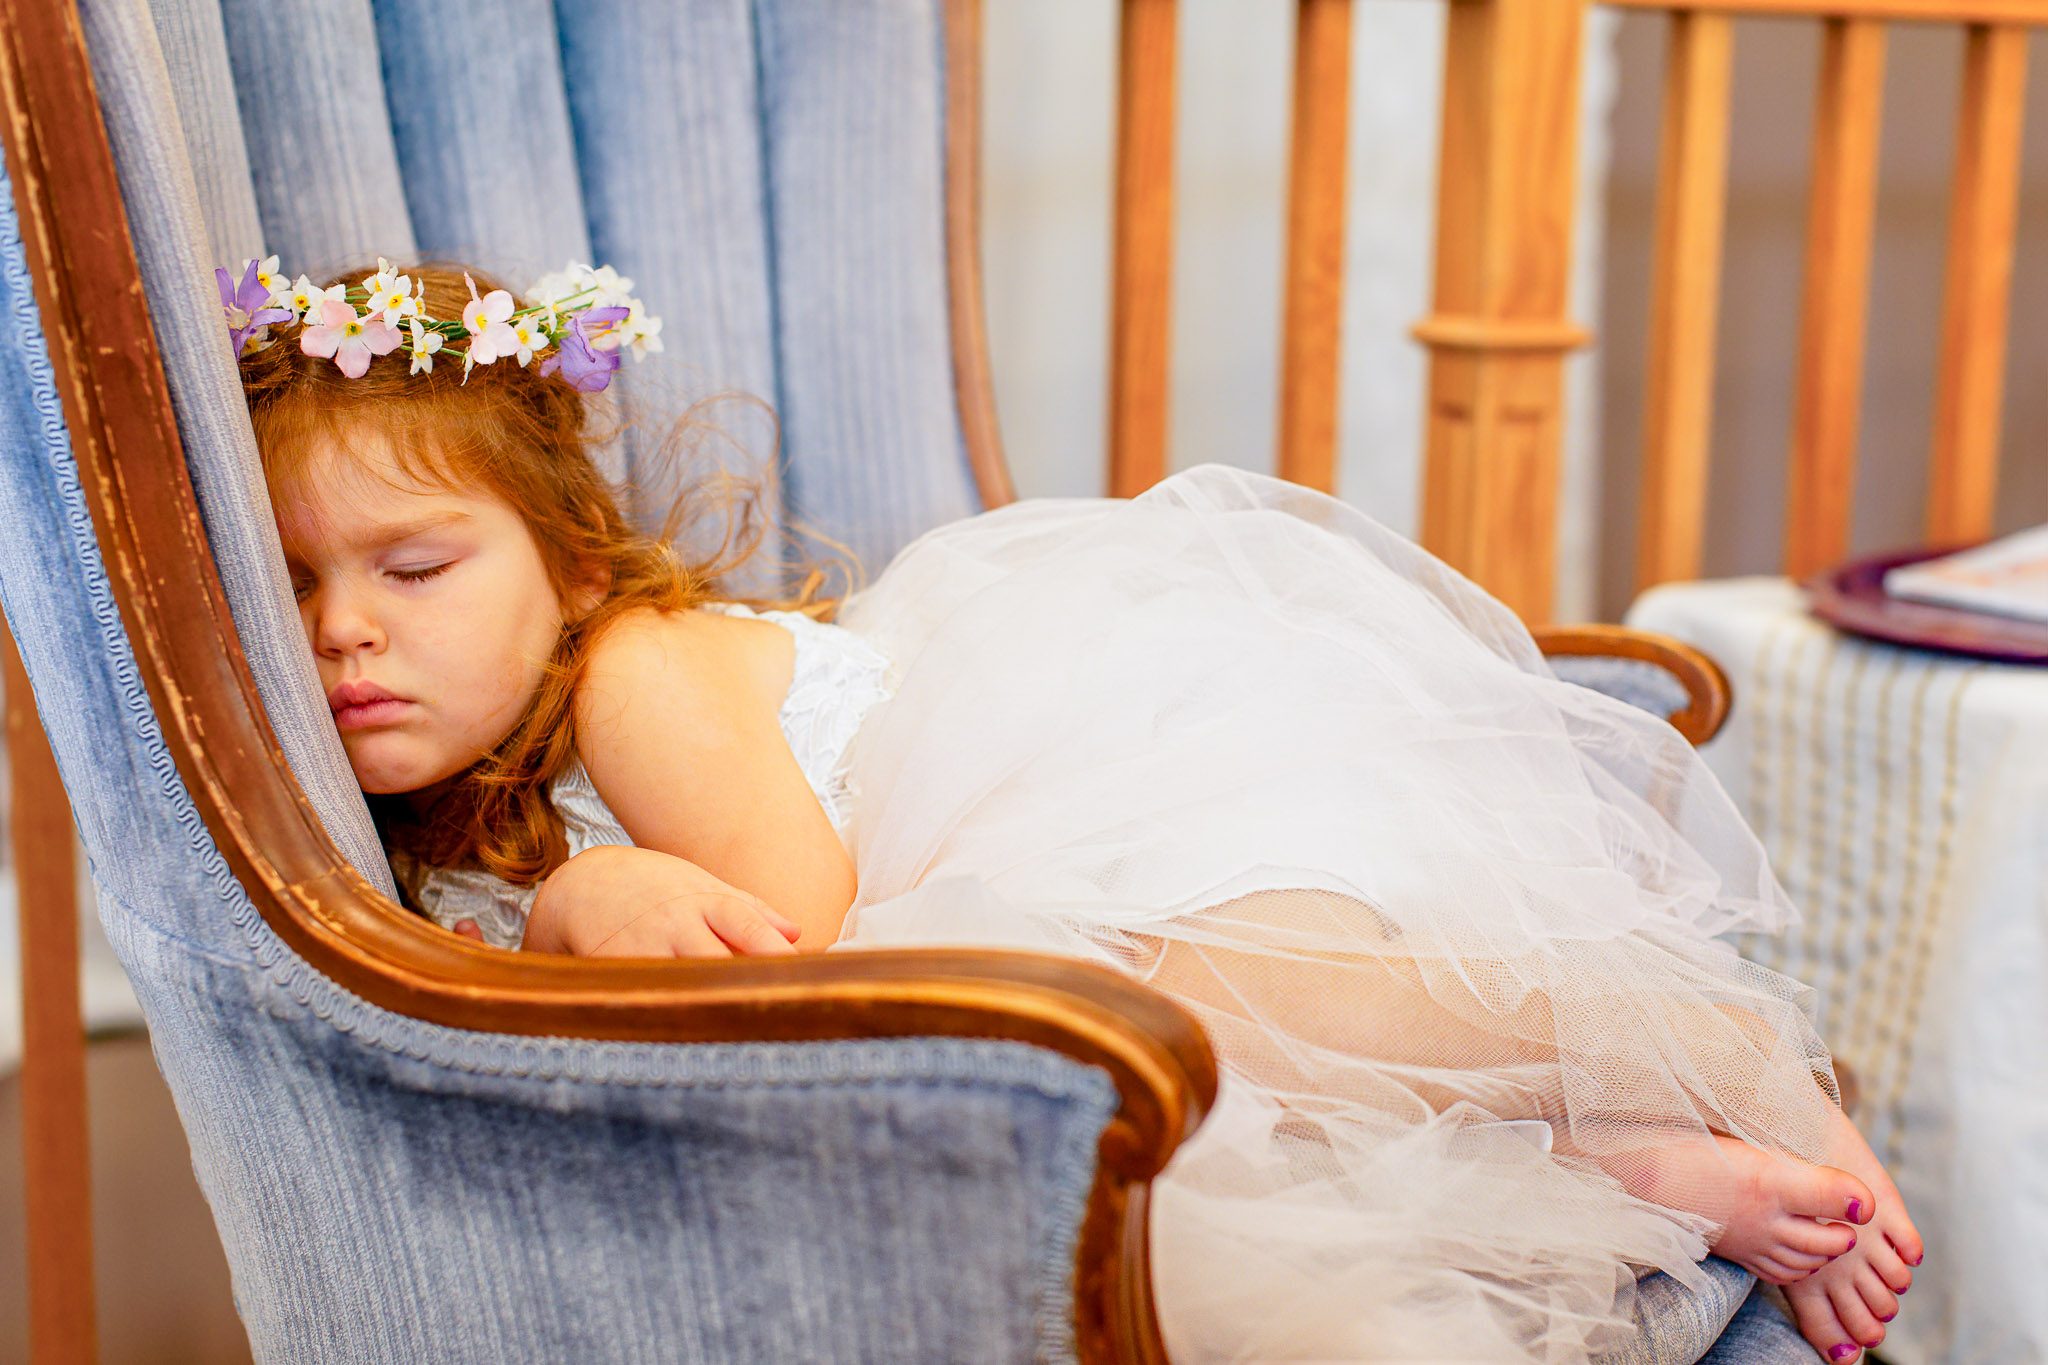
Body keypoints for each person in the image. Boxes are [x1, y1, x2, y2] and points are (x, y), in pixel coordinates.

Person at [236, 258, 1921, 1363]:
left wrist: (576, 910)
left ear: (573, 566)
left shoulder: (633, 673)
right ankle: (1623, 1167)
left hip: (1030, 844)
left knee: (1237, 993)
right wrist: (542, 907)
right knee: (1242, 1140)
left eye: (414, 566)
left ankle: (1714, 1047)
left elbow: (800, 935)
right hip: (948, 1006)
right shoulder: (425, 838)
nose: (343, 628)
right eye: (291, 581)